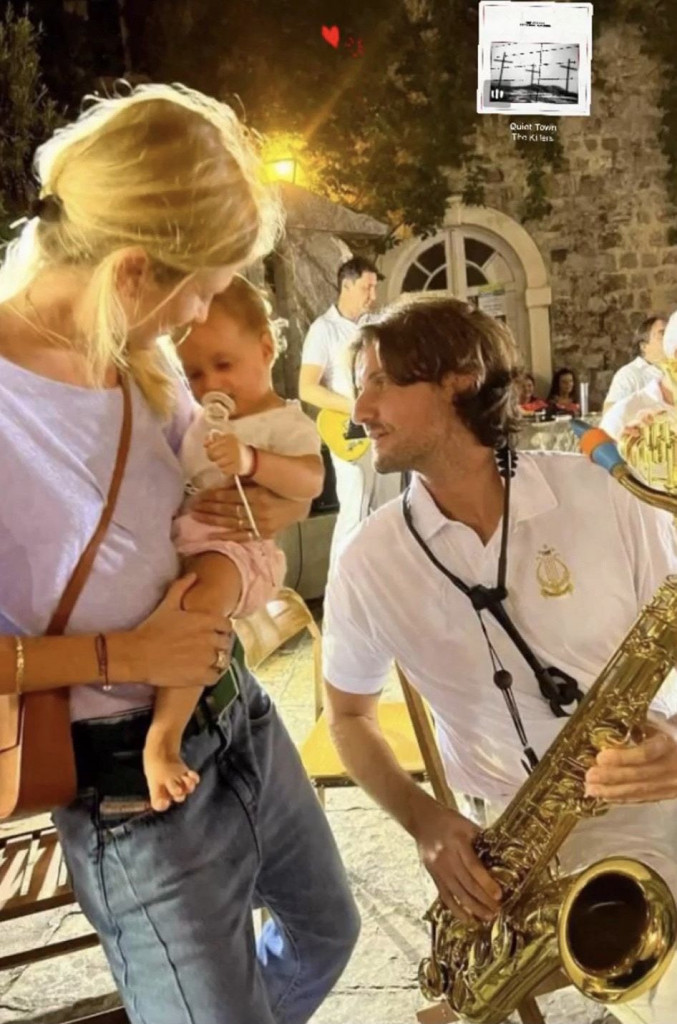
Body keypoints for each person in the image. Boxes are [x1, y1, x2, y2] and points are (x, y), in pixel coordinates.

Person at [0, 84, 359, 1024]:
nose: (202, 312)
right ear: (131, 271)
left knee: (327, 932)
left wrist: (247, 534)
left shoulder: (140, 355)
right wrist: (127, 653)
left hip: (239, 714)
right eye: (200, 286)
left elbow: (227, 516)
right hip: (130, 788)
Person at [322, 294, 677, 1024]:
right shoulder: (368, 560)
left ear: (458, 377)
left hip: (653, 777)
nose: (359, 409)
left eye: (380, 381)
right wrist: (424, 820)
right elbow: (348, 716)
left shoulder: (602, 495)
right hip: (533, 838)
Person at [143, 276, 324, 812]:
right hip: (194, 539)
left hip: (238, 550)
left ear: (265, 349)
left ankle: (164, 739)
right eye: (195, 373)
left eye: (223, 364)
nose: (210, 384)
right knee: (180, 605)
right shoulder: (199, 420)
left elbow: (310, 479)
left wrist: (251, 461)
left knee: (198, 611)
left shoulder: (283, 421)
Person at [299, 256, 402, 565]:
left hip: (384, 428)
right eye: (366, 288)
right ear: (346, 286)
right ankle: (339, 587)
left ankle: (384, 579)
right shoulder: (323, 329)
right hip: (350, 431)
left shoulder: (378, 326)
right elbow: (307, 388)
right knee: (355, 511)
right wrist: (356, 407)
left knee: (390, 508)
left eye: (374, 288)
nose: (373, 295)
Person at [603, 314, 667, 412]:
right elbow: (610, 413)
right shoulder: (629, 375)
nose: (670, 339)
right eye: (662, 334)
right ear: (644, 346)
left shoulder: (672, 372)